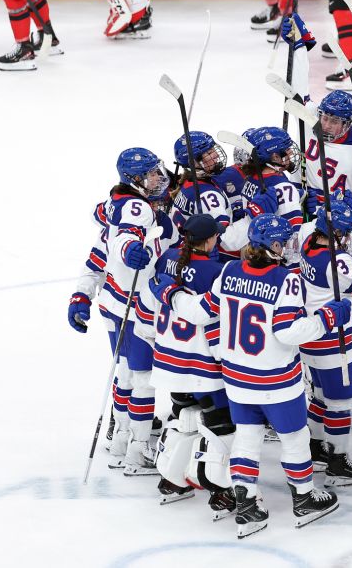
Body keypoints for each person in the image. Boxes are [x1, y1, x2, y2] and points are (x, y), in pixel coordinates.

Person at [151, 214, 342, 536]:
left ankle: (248, 504)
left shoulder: (228, 270)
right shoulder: (287, 279)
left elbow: (199, 311)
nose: (287, 246)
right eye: (282, 241)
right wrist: (327, 318)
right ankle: (305, 497)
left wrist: (171, 294)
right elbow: (289, 332)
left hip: (237, 378)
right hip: (277, 381)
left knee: (247, 438)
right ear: (271, 245)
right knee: (295, 438)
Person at [135, 213, 236, 513]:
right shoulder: (216, 272)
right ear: (208, 240)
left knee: (184, 419)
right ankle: (222, 490)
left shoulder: (166, 258)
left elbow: (146, 311)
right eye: (215, 235)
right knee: (223, 427)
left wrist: (156, 343)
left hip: (167, 362)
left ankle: (173, 479)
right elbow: (219, 322)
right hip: (201, 366)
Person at [92, 147, 172, 474]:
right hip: (136, 304)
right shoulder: (138, 206)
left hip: (114, 299)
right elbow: (127, 238)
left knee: (123, 373)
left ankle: (120, 441)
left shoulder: (115, 203)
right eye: (153, 173)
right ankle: (138, 452)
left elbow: (108, 228)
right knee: (143, 379)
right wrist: (131, 252)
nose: (159, 177)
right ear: (136, 179)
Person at [297, 193, 352, 486]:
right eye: (346, 231)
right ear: (336, 233)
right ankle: (338, 461)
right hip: (333, 340)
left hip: (310, 337)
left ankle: (316, 447)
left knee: (319, 395)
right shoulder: (337, 260)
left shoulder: (308, 244)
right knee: (340, 401)